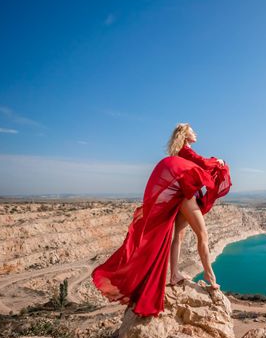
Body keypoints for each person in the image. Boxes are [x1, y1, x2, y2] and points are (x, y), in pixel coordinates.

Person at [91, 123, 232, 318]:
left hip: (182, 195)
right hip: (185, 196)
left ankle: (174, 274)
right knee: (203, 234)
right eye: (193, 130)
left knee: (179, 237)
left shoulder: (180, 151)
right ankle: (209, 275)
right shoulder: (186, 150)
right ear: (185, 134)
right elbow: (204, 164)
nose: (196, 133)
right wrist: (220, 161)